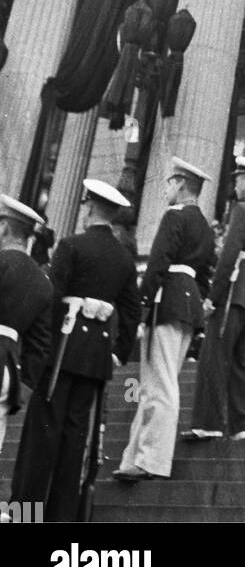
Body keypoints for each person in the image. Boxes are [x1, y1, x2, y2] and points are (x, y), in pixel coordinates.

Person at [11, 180, 139, 521]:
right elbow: (132, 310)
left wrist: (37, 346)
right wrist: (118, 352)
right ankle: (62, 517)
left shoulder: (71, 246)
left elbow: (51, 297)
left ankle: (26, 515)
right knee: (76, 443)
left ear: (90, 208)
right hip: (95, 358)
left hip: (62, 350)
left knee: (41, 438)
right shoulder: (124, 258)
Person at [113, 157, 215, 482]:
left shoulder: (175, 216)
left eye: (171, 182)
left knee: (159, 383)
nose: (168, 188)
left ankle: (151, 460)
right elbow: (205, 273)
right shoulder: (203, 224)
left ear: (182, 183)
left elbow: (158, 262)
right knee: (158, 381)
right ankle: (137, 455)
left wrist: (142, 308)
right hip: (186, 305)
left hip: (167, 300)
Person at [183, 155, 245, 441]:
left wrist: (213, 296)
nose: (235, 186)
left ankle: (209, 423)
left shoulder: (243, 210)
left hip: (236, 291)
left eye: (238, 179)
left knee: (214, 356)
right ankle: (242, 426)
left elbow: (228, 256)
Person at [0, 196, 52, 456]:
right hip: (8, 367)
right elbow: (40, 345)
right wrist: (26, 386)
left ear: (4, 228)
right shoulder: (43, 282)